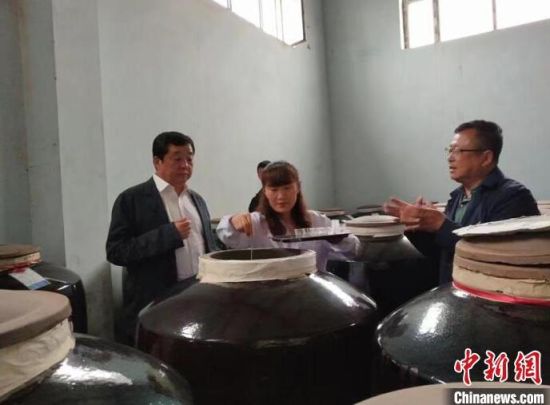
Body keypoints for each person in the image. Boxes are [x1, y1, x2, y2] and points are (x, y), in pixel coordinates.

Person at [384, 120, 539, 284]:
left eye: (458, 151)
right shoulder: (457, 197)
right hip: (453, 290)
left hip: (489, 294)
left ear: (486, 158)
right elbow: (442, 255)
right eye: (450, 150)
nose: (450, 158)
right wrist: (418, 226)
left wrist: (441, 225)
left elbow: (492, 257)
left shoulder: (513, 197)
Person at [106, 131, 216, 345]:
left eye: (189, 159)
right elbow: (116, 251)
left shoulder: (197, 200)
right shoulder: (132, 199)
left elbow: (208, 248)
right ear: (157, 162)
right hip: (156, 304)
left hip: (197, 299)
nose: (185, 165)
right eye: (177, 158)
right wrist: (168, 235)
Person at [217, 161, 360, 272]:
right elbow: (226, 235)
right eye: (274, 189)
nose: (281, 196)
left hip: (313, 292)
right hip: (270, 293)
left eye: (287, 188)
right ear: (265, 192)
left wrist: (339, 239)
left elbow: (354, 250)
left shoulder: (317, 220)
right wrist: (233, 220)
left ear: (298, 187)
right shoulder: (256, 223)